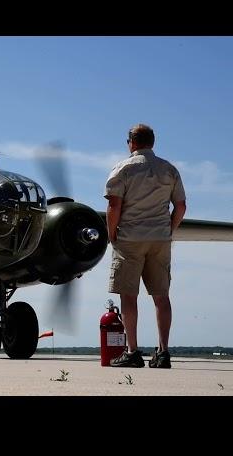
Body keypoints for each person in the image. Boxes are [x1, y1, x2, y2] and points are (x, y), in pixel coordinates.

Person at [104, 123, 186, 368]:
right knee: (161, 296)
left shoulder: (122, 169)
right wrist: (169, 229)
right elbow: (180, 206)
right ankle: (163, 352)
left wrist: (112, 234)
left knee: (129, 296)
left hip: (129, 238)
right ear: (153, 142)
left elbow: (113, 206)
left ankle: (132, 351)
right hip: (160, 239)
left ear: (131, 142)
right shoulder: (169, 170)